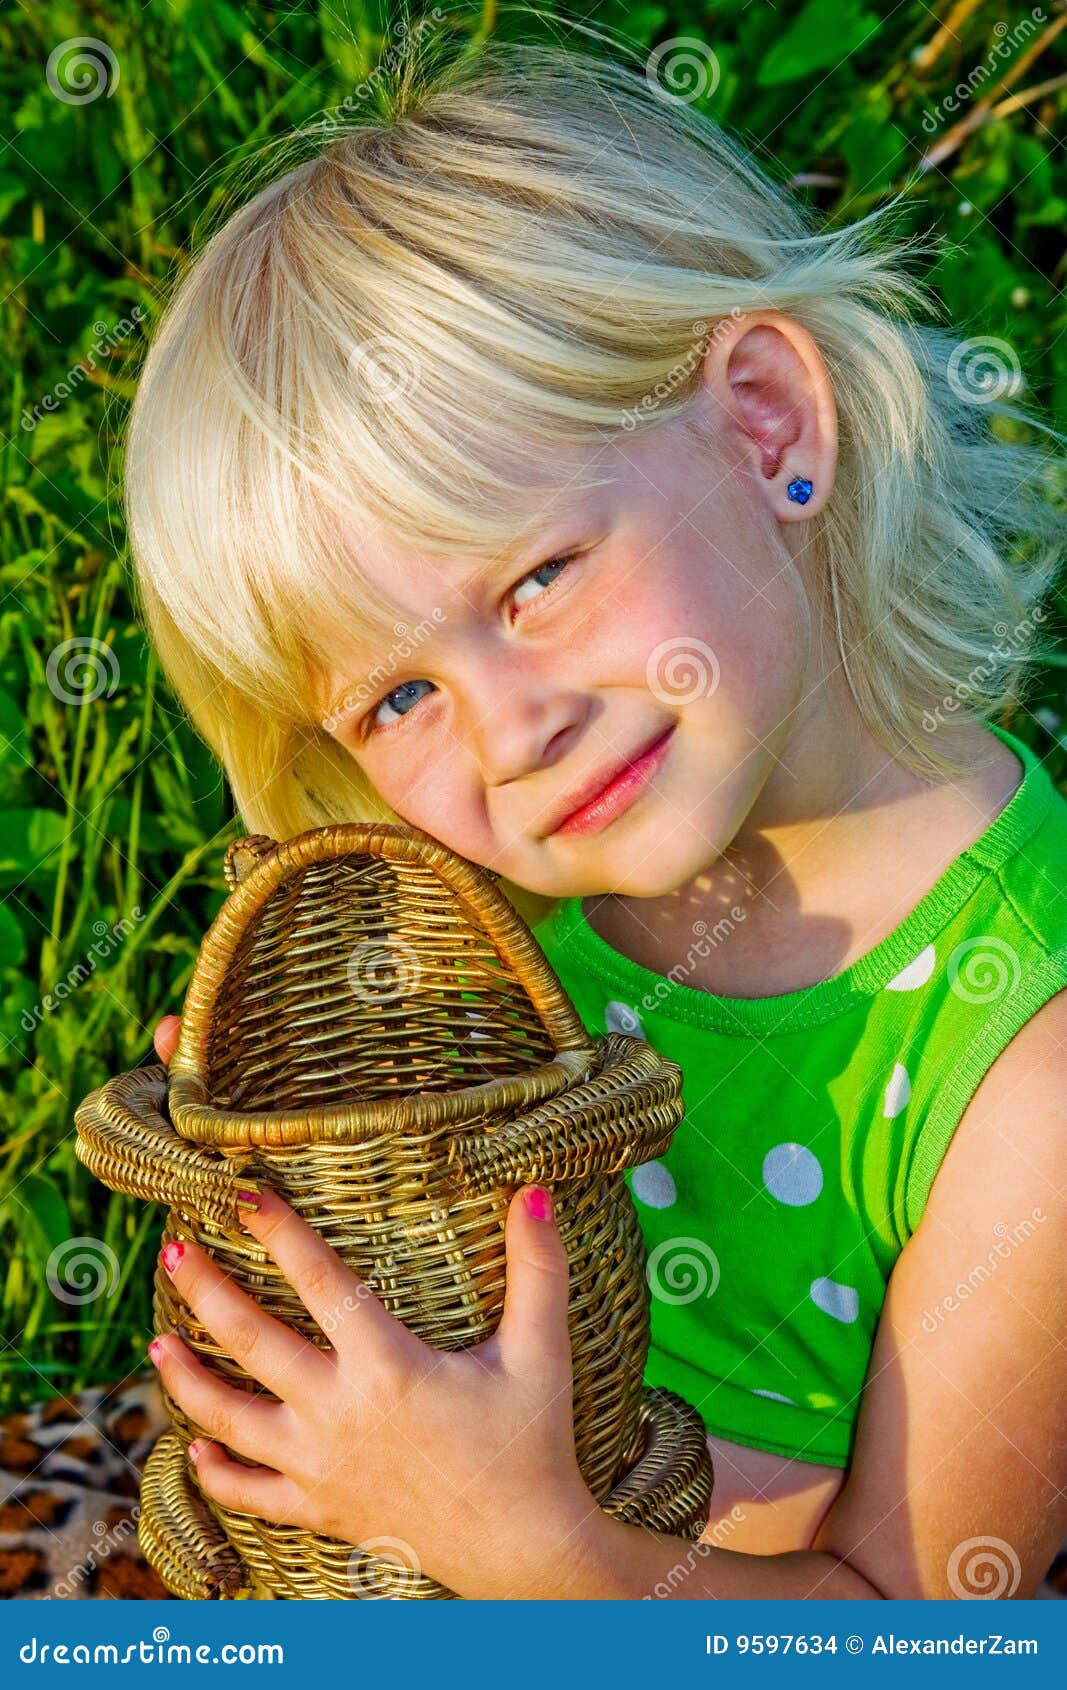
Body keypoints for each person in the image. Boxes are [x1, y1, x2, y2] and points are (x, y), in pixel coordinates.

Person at [127, 32, 1066, 1598]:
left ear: (767, 423)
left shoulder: (1025, 1072)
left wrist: (528, 1545)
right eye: (396, 699)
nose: (513, 730)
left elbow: (911, 1626)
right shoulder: (490, 914)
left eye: (538, 580)